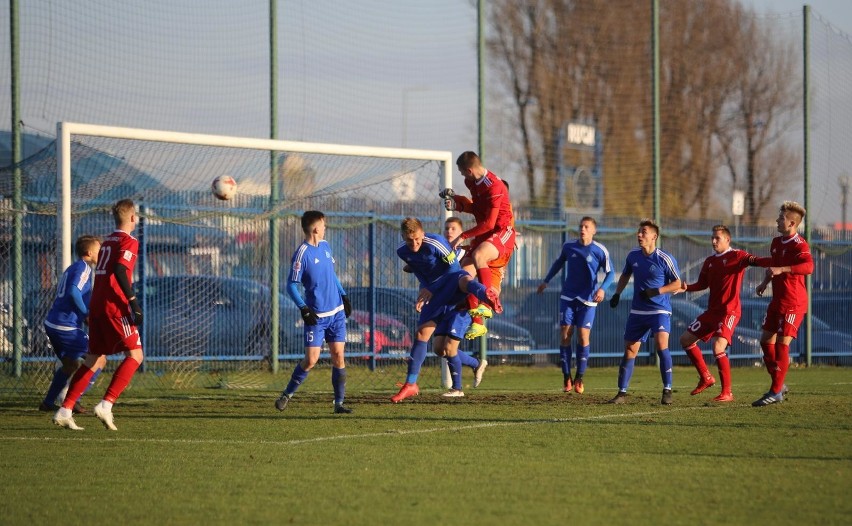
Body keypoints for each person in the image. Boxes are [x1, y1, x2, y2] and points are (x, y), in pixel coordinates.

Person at [53, 199, 145, 431]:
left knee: (93, 359)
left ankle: (65, 410)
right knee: (135, 355)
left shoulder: (106, 242)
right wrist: (133, 302)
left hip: (97, 305)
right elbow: (120, 270)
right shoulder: (128, 240)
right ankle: (106, 404)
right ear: (132, 218)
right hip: (115, 306)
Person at [391, 217, 497, 403]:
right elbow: (420, 273)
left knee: (463, 280)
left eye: (417, 239)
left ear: (423, 234)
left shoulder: (436, 243)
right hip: (435, 293)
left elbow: (454, 270)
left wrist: (431, 288)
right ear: (402, 237)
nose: (414, 244)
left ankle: (486, 294)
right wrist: (424, 290)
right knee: (424, 336)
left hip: (451, 283)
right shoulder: (402, 251)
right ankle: (411, 384)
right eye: (409, 240)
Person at [275, 211, 354, 414]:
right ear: (316, 228)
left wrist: (343, 295)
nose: (325, 227)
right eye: (324, 224)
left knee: (338, 356)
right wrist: (304, 308)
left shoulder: (325, 246)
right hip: (317, 316)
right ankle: (287, 394)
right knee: (311, 360)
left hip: (336, 312)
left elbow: (332, 274)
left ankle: (339, 404)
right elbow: (291, 285)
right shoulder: (302, 253)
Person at [675, 225, 759, 402]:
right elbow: (702, 284)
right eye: (712, 238)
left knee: (718, 347)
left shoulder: (738, 256)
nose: (713, 241)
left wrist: (777, 264)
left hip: (729, 312)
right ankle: (706, 377)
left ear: (727, 240)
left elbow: (756, 260)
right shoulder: (709, 261)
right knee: (685, 339)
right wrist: (686, 288)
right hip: (712, 312)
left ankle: (727, 392)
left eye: (717, 238)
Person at [441, 151, 515, 339]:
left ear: (469, 169)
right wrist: (456, 202)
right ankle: (478, 323)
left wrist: (463, 235)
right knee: (464, 276)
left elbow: (490, 224)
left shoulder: (496, 187)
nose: (462, 177)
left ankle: (488, 301)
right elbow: (476, 207)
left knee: (480, 256)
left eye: (462, 172)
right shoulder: (471, 182)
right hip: (484, 236)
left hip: (501, 233)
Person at [608, 219, 682, 405]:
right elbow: (625, 274)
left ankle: (667, 390)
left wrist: (656, 292)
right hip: (638, 311)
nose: (639, 235)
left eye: (644, 232)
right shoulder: (633, 256)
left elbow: (677, 283)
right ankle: (622, 393)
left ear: (654, 236)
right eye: (639, 232)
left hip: (659, 310)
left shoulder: (664, 258)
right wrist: (617, 293)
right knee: (630, 350)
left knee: (660, 344)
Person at [536, 216, 613, 394]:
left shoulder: (600, 250)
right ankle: (566, 377)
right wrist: (546, 281)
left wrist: (602, 289)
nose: (582, 229)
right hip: (568, 296)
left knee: (583, 336)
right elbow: (558, 263)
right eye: (581, 226)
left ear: (594, 230)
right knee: (565, 334)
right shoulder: (569, 246)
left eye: (587, 227)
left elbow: (610, 273)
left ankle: (580, 376)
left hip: (588, 299)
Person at [750, 201, 814, 407]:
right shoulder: (776, 243)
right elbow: (773, 267)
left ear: (792, 223)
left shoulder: (800, 245)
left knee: (781, 345)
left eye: (781, 218)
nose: (777, 220)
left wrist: (783, 269)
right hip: (777, 300)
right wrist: (764, 283)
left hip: (794, 303)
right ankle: (779, 383)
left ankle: (775, 391)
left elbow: (808, 266)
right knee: (765, 342)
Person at [39, 235, 102, 413]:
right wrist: (86, 314)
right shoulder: (84, 268)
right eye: (99, 250)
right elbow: (74, 292)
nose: (101, 253)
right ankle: (73, 400)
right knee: (99, 359)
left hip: (53, 323)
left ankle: (49, 402)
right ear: (89, 253)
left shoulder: (73, 268)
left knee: (70, 365)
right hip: (65, 326)